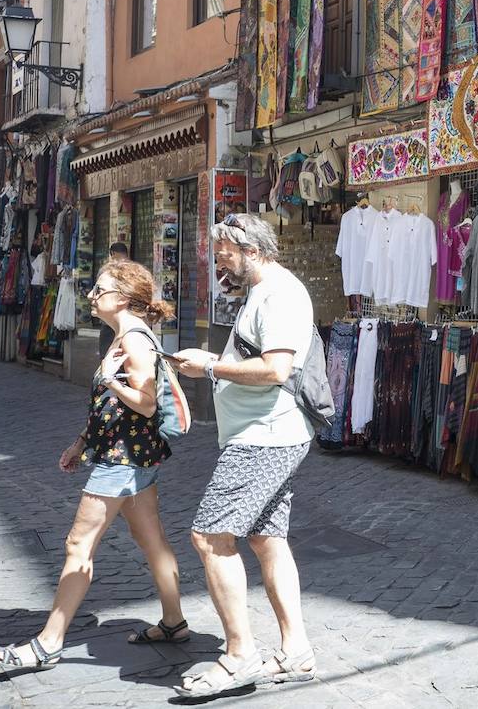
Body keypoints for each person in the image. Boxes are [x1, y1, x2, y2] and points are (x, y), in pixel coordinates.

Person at [0, 260, 190, 673]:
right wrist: (81, 441)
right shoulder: (125, 336)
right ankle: (174, 622)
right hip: (133, 455)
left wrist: (115, 382)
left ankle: (48, 643)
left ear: (124, 298)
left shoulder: (133, 342)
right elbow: (112, 406)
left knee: (79, 545)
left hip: (122, 460)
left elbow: (146, 402)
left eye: (100, 290)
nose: (92, 296)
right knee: (151, 539)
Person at [171, 214, 315, 697]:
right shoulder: (261, 292)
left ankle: (239, 655)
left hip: (266, 434)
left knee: (210, 537)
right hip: (263, 432)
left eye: (225, 253)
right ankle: (296, 651)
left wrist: (212, 368)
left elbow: (276, 369)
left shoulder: (280, 293)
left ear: (252, 250)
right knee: (266, 539)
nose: (219, 262)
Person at [97, 243, 130, 357]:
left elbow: (98, 292)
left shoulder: (106, 271)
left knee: (107, 356)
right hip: (130, 319)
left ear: (112, 254)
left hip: (110, 321)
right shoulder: (136, 271)